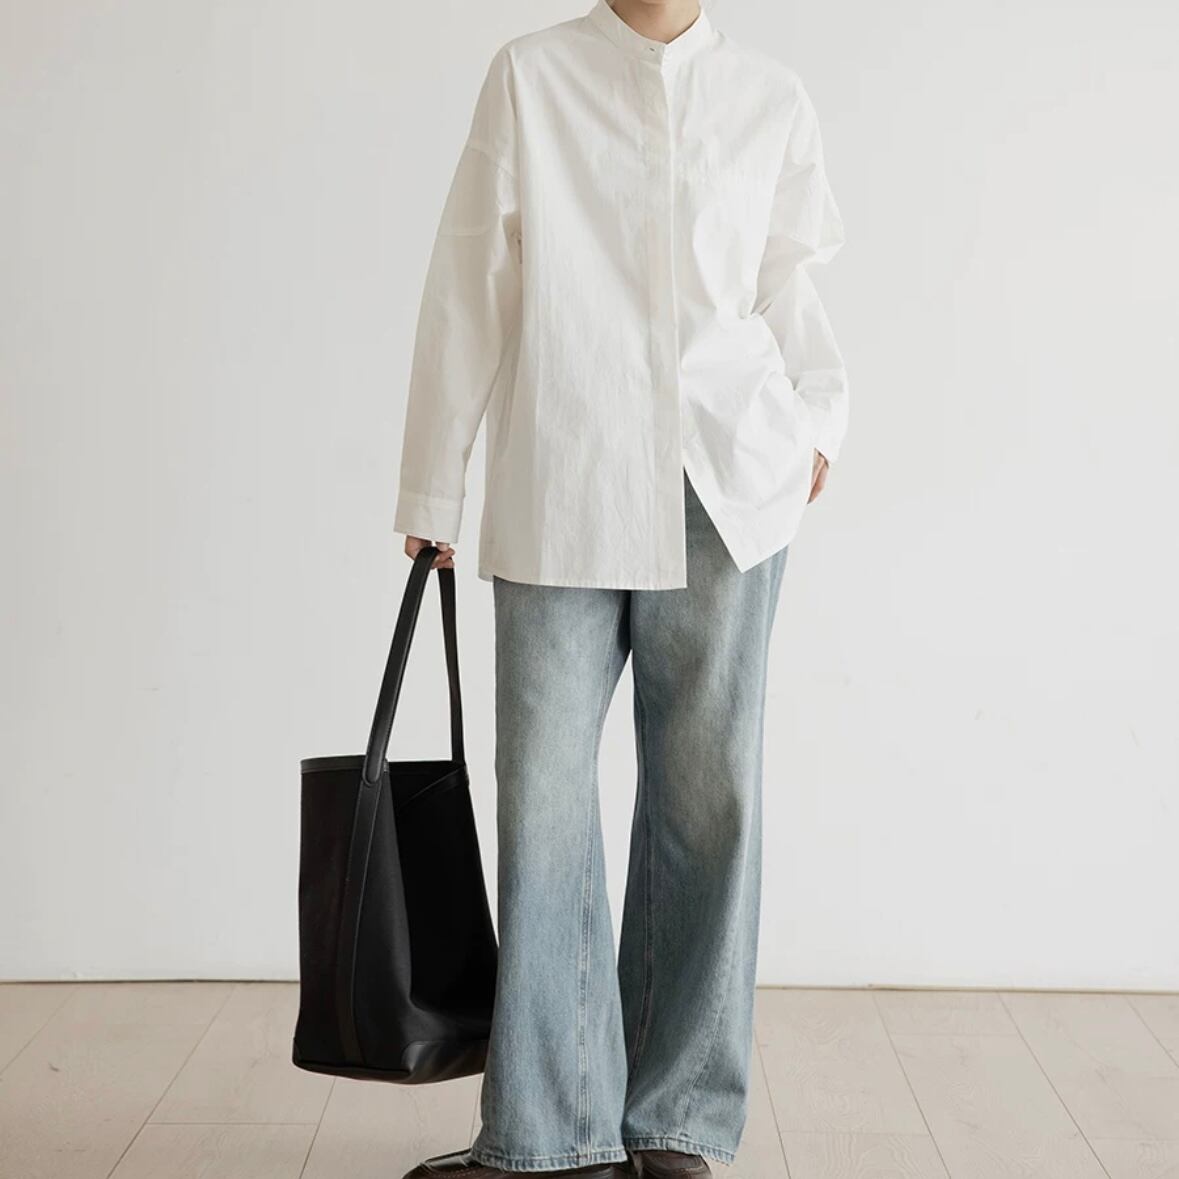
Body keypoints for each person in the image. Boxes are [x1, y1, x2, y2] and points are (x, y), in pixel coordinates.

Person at [394, 1, 848, 1176]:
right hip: (565, 478)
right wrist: (435, 482)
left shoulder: (769, 99)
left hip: (726, 493)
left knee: (708, 805)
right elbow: (469, 279)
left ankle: (675, 1125)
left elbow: (792, 289)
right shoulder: (530, 77)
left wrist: (818, 426)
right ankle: (551, 1133)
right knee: (543, 801)